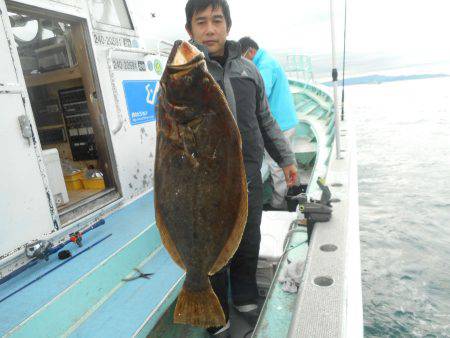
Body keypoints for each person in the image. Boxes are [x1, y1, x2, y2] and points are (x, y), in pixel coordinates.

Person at [184, 0, 298, 336]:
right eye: (200, 22)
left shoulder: (249, 71)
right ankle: (216, 314)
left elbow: (264, 119)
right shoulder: (186, 74)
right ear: (189, 30)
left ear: (228, 26)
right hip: (207, 184)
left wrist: (287, 159)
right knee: (214, 249)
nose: (209, 29)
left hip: (248, 175)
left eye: (216, 20)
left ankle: (246, 294)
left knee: (249, 238)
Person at [239, 36, 299, 211]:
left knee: (276, 165)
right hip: (287, 120)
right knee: (286, 162)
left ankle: (279, 203)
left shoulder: (264, 65)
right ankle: (294, 194)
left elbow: (259, 93)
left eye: (243, 57)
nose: (242, 61)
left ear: (251, 51)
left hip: (280, 123)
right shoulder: (267, 61)